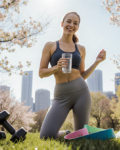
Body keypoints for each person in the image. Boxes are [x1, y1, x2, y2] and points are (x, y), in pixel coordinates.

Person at [39, 11, 106, 140]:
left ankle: (81, 134)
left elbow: (83, 75)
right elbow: (41, 73)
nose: (71, 25)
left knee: (81, 136)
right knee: (46, 136)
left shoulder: (81, 49)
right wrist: (56, 68)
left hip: (81, 92)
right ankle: (66, 133)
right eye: (68, 21)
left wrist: (97, 62)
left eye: (75, 23)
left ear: (78, 27)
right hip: (61, 95)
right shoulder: (50, 46)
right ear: (62, 23)